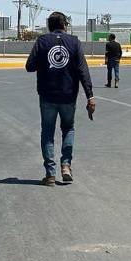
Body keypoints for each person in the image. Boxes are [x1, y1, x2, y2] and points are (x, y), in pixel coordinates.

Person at [25, 12, 96, 186]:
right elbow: (83, 71)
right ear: (65, 25)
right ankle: (66, 166)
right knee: (68, 129)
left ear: (49, 26)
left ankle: (50, 174)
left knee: (47, 133)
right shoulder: (74, 42)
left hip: (47, 96)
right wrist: (90, 96)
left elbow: (30, 66)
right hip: (68, 96)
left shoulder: (42, 41)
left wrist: (44, 61)